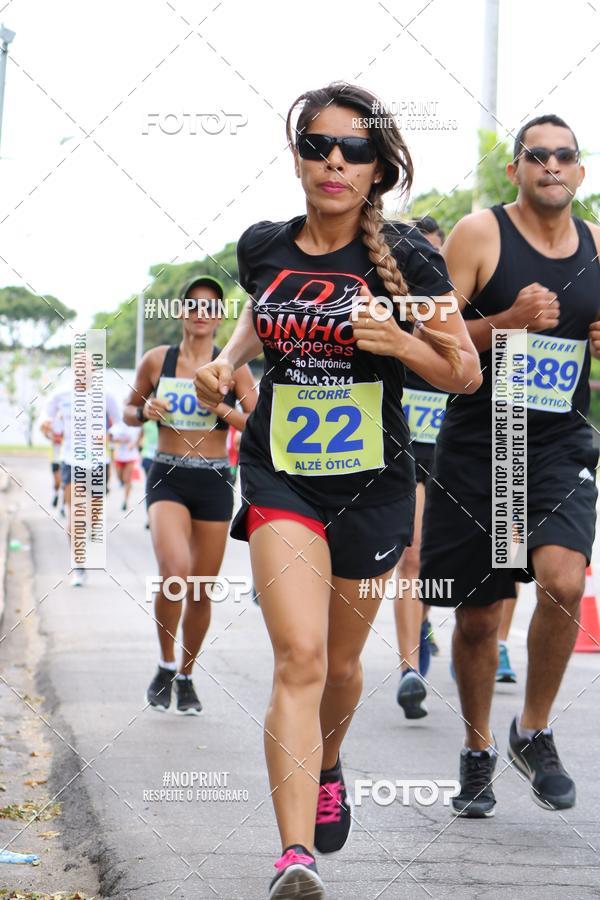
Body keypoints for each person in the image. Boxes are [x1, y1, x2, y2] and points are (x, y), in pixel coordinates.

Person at [194, 83, 481, 899]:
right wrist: (231, 361)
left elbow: (464, 372)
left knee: (346, 667)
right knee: (301, 656)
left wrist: (400, 341)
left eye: (354, 150)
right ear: (297, 157)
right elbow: (262, 311)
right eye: (319, 145)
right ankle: (294, 857)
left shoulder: (411, 261)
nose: (334, 161)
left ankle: (327, 762)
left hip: (375, 486)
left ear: (378, 167)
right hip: (281, 473)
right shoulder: (263, 244)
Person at [420, 114, 600, 817]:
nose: (552, 165)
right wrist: (505, 323)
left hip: (558, 443)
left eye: (565, 155)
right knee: (478, 620)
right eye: (537, 155)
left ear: (580, 172)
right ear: (516, 170)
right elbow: (431, 346)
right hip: (483, 444)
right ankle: (476, 745)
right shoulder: (479, 236)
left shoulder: (596, 247)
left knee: (563, 578)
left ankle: (534, 729)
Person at [123, 275, 256, 716]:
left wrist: (219, 408)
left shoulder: (231, 367)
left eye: (211, 307)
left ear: (220, 318)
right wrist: (145, 410)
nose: (202, 313)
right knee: (175, 572)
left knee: (200, 589)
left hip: (216, 478)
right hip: (168, 473)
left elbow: (256, 423)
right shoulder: (158, 360)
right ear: (182, 312)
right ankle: (164, 663)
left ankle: (186, 675)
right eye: (194, 305)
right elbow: (127, 411)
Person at [394, 215, 449, 719]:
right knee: (409, 560)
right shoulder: (389, 319)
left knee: (432, 565)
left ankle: (422, 622)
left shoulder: (461, 324)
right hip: (402, 458)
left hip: (450, 457)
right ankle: (411, 669)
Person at [43, 371, 121, 587]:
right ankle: (78, 566)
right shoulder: (61, 395)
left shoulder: (106, 396)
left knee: (93, 518)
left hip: (98, 463)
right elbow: (46, 420)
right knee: (76, 517)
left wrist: (110, 435)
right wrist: (46, 427)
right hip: (71, 461)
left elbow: (121, 423)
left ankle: (85, 536)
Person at [109, 420, 141, 510]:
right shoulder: (119, 423)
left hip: (131, 455)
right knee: (120, 478)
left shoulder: (136, 425)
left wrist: (133, 444)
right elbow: (110, 435)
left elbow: (139, 437)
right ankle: (123, 483)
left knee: (127, 479)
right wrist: (117, 439)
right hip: (119, 456)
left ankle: (125, 501)